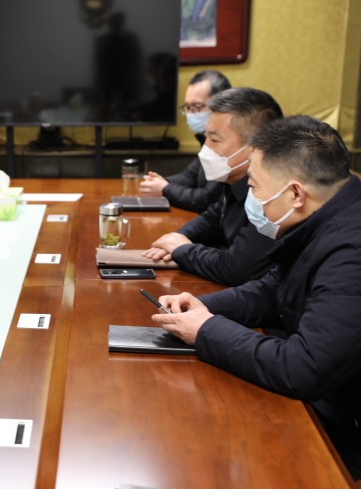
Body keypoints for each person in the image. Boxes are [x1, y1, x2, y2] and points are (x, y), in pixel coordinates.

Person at [151, 115, 361, 481]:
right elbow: (272, 288)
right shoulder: (322, 218)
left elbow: (303, 367)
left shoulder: (351, 250)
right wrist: (203, 307)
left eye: (255, 186)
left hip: (341, 425)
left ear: (295, 194)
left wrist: (206, 330)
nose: (251, 198)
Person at [142, 87, 283, 286]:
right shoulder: (234, 180)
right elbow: (214, 216)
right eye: (205, 137)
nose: (205, 149)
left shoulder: (272, 195)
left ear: (254, 149)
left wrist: (183, 250)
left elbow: (237, 269)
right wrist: (178, 236)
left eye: (215, 140)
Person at [140, 70, 231, 212]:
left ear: (222, 105)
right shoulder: (206, 139)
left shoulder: (230, 143)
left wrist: (165, 188)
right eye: (188, 107)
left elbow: (208, 198)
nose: (190, 113)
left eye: (197, 107)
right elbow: (189, 176)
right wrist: (160, 182)